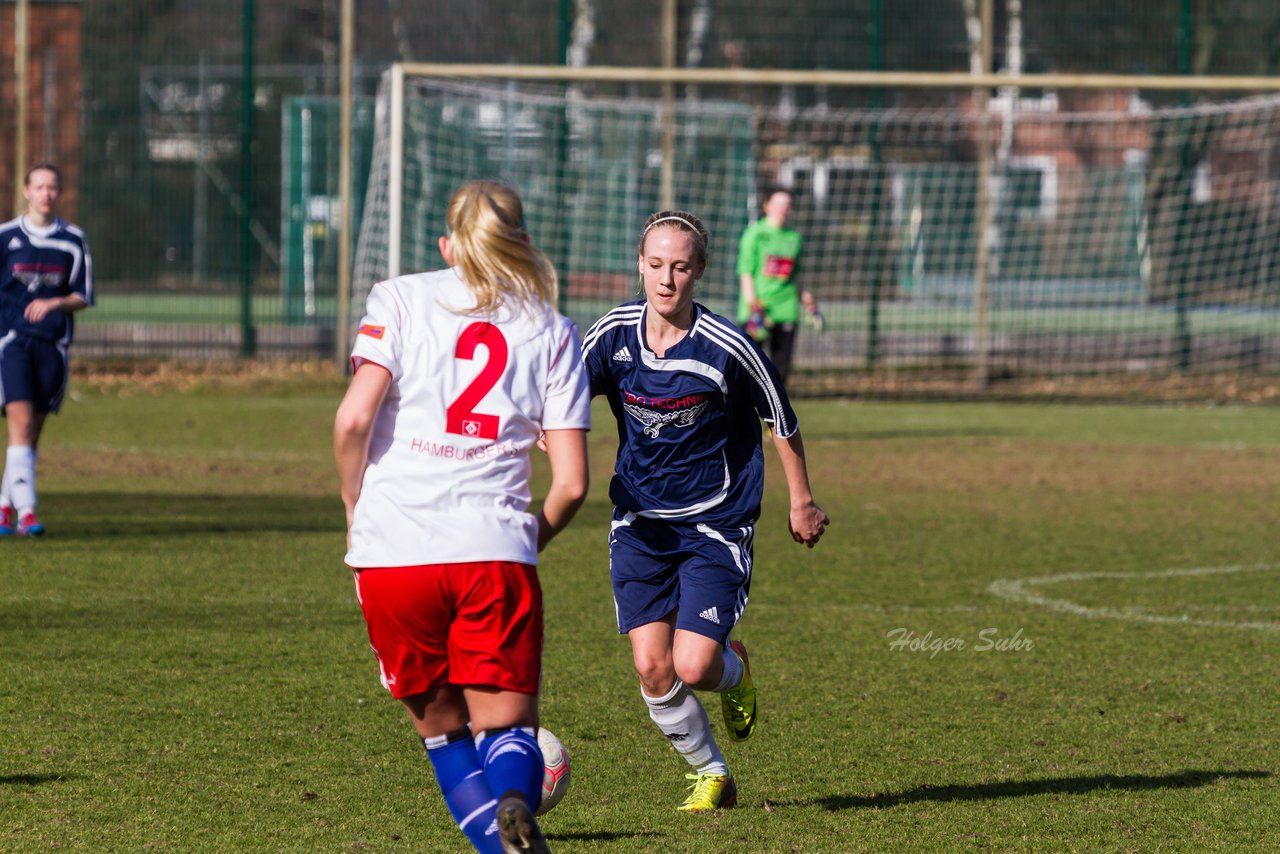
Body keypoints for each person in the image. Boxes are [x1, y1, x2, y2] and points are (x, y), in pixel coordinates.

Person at [334, 180, 590, 854]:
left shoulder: (399, 297)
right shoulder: (554, 329)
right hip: (493, 550)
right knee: (509, 730)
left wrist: (354, 504)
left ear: (448, 245)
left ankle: (497, 837)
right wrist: (525, 539)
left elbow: (354, 418)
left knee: (445, 735)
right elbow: (571, 484)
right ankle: (515, 795)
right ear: (523, 242)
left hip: (392, 550)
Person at [581, 210, 829, 812]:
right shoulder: (612, 334)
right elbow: (561, 389)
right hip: (640, 523)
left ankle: (733, 670)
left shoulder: (728, 346)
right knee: (651, 665)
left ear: (700, 271)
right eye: (657, 265)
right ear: (640, 265)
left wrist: (801, 500)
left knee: (693, 664)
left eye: (681, 267)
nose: (667, 279)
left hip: (714, 523)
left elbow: (782, 422)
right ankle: (712, 774)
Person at [0, 163, 93, 537]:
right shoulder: (5, 237)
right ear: (26, 192)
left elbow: (83, 296)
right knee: (19, 425)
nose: (45, 193)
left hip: (52, 347)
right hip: (11, 343)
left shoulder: (72, 240)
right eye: (39, 187)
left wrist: (54, 305)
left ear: (59, 193)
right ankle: (28, 513)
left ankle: (5, 506)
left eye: (52, 187)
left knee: (30, 435)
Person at [736, 187, 820, 386]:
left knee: (780, 372)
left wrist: (806, 298)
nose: (784, 209)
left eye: (788, 205)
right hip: (758, 310)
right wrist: (753, 304)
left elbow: (794, 275)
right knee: (746, 367)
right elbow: (745, 271)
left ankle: (776, 413)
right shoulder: (754, 234)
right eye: (779, 204)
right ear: (767, 206)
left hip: (786, 308)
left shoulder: (794, 238)